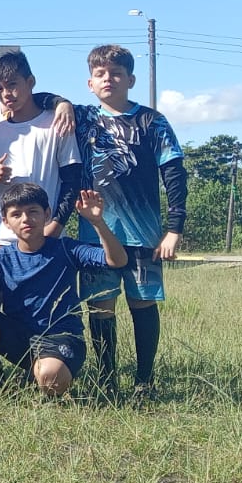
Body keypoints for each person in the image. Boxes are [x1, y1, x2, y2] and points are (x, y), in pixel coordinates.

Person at [56, 44, 189, 399]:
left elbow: (175, 174)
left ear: (130, 79)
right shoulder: (82, 118)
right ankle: (107, 381)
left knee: (142, 303)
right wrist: (62, 103)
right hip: (95, 235)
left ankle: (145, 381)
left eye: (116, 73)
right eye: (100, 74)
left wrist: (174, 229)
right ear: (90, 83)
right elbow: (36, 98)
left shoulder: (152, 121)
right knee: (100, 307)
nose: (108, 79)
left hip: (144, 233)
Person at [0, 185, 127, 396]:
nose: (25, 219)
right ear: (5, 222)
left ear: (47, 214)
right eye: (16, 214)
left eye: (33, 211)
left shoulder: (65, 248)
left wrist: (98, 222)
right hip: (21, 338)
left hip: (62, 338)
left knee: (50, 377)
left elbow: (117, 260)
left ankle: (42, 372)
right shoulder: (2, 257)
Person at [0, 51, 84, 247]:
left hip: (46, 235)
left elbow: (72, 180)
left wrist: (56, 225)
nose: (6, 94)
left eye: (12, 85)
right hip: (0, 238)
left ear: (30, 82)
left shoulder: (57, 122)